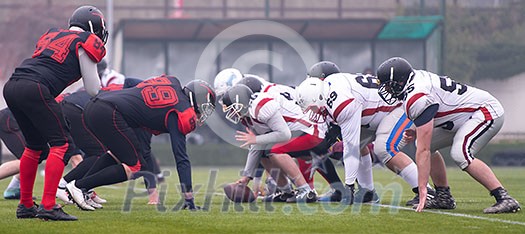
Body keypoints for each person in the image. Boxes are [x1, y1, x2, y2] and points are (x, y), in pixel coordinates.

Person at [296, 62, 454, 207]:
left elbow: (350, 148)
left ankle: (426, 191)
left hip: (398, 107)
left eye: (312, 107)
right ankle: (367, 191)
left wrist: (348, 186)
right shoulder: (334, 88)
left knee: (384, 148)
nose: (312, 112)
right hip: (377, 113)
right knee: (359, 143)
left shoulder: (340, 100)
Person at [376, 57, 521, 213]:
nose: (387, 91)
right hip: (463, 116)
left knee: (460, 153)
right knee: (427, 144)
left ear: (399, 82)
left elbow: (423, 151)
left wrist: (422, 188)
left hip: (485, 111)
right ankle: (443, 196)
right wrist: (418, 130)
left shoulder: (416, 96)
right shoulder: (414, 84)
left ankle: (504, 197)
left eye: (388, 86)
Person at [3, 5, 107, 221]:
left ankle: (25, 205)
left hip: (13, 85)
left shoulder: (53, 35)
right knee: (63, 144)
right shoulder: (85, 42)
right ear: (94, 27)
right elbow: (93, 89)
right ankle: (48, 205)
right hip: (35, 87)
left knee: (34, 147)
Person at [65, 75, 216, 211]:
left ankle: (82, 188)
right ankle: (79, 186)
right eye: (203, 108)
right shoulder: (180, 110)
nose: (201, 114)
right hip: (108, 112)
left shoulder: (171, 84)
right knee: (135, 167)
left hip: (95, 107)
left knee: (118, 155)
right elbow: (181, 158)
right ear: (194, 99)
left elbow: (143, 142)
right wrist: (189, 199)